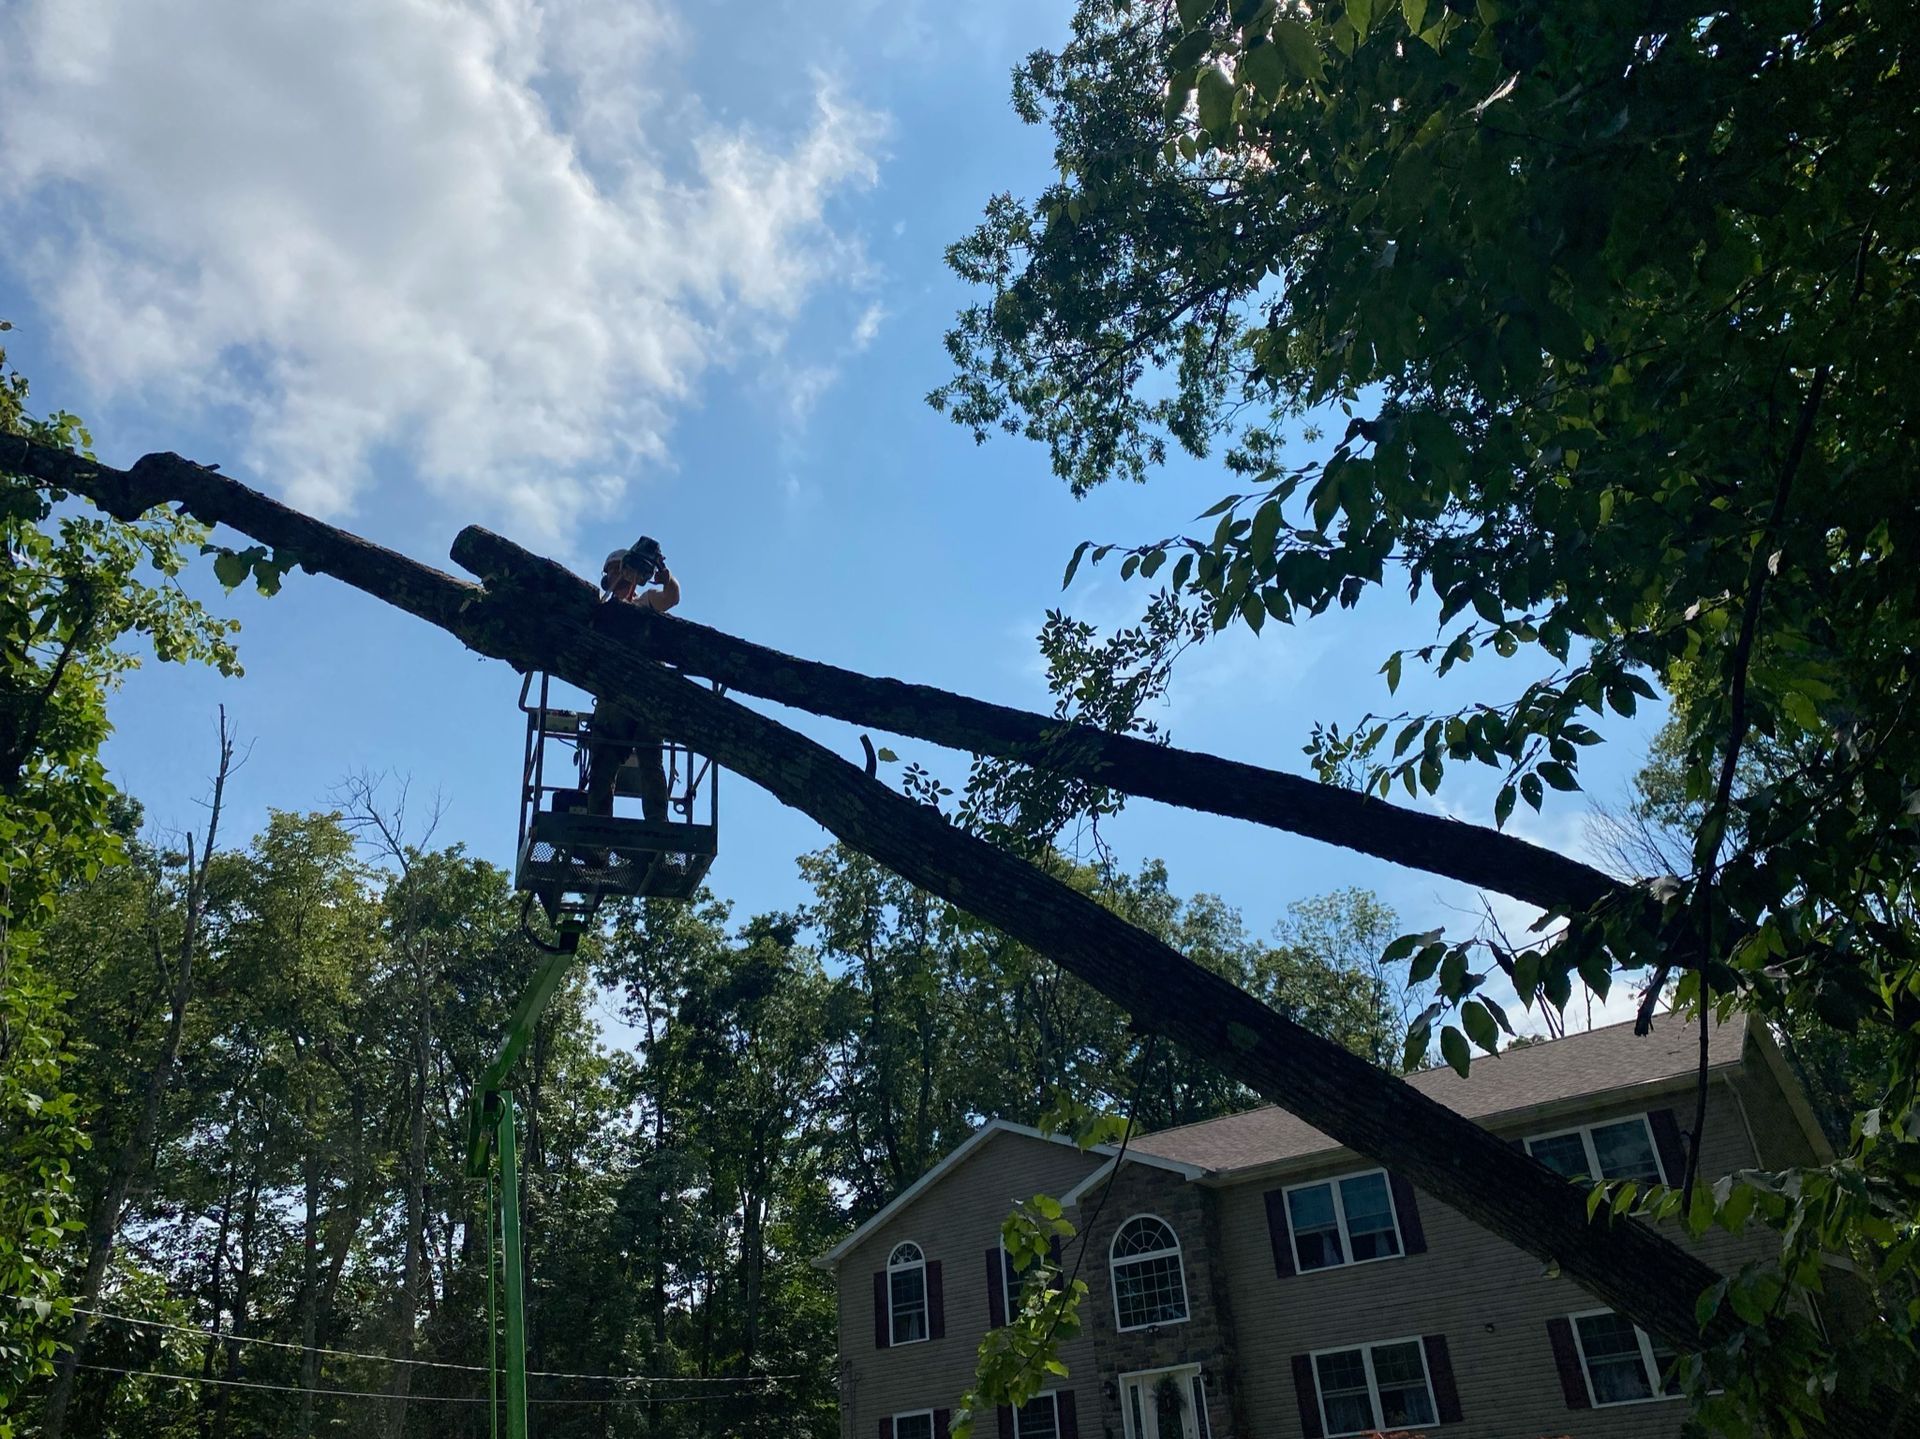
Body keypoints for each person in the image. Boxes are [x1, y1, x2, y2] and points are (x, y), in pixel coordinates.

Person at [584, 537, 678, 822]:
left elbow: (671, 598)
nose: (620, 576)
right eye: (615, 571)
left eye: (623, 569)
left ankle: (658, 826)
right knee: (602, 763)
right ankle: (598, 828)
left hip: (647, 693)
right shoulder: (601, 609)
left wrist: (665, 576)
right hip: (613, 698)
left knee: (651, 762)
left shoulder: (645, 602)